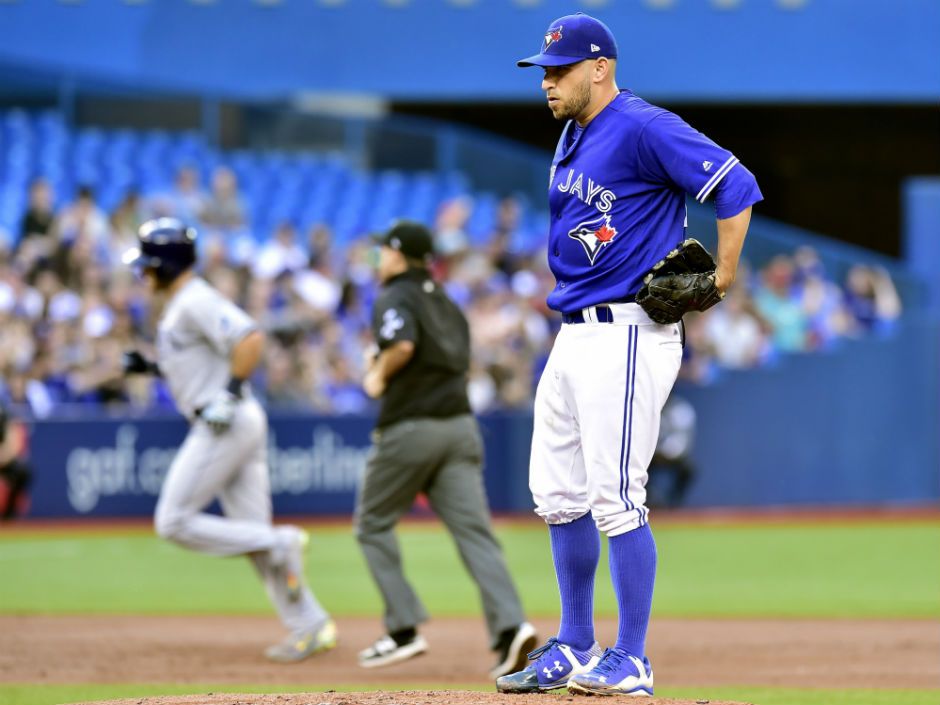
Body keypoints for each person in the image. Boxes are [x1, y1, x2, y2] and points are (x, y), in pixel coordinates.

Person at [498, 13, 762, 696]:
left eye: (560, 70)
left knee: (616, 496)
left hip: (628, 331)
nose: (548, 82)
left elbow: (735, 185)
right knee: (557, 495)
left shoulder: (643, 125)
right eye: (544, 72)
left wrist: (725, 276)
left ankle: (634, 657)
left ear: (601, 68)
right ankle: (576, 643)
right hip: (574, 331)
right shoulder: (572, 133)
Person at [121, 217, 336, 662]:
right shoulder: (182, 303)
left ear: (163, 266)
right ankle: (309, 624)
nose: (142, 274)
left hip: (226, 423)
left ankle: (283, 543)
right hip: (235, 420)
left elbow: (249, 338)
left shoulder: (193, 300)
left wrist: (230, 393)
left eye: (147, 265)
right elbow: (201, 360)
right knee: (253, 538)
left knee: (173, 521)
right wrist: (154, 368)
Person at [354, 221, 537, 678]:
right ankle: (510, 627)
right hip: (459, 426)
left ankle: (402, 629)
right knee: (476, 533)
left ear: (398, 255)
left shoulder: (396, 294)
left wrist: (376, 373)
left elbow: (401, 344)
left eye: (383, 253)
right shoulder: (448, 301)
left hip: (412, 426)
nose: (380, 260)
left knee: (372, 523)